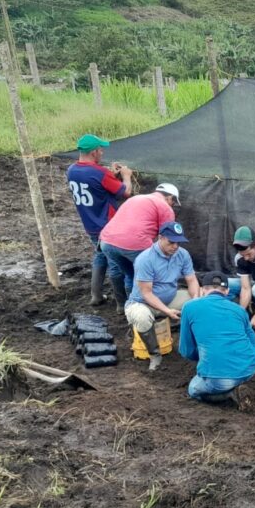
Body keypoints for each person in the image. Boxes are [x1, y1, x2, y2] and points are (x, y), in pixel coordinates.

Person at [66, 134, 133, 306]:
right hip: (108, 225)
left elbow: (96, 184)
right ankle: (121, 303)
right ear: (94, 152)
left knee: (99, 255)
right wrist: (126, 176)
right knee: (116, 263)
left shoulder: (72, 170)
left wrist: (111, 175)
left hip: (90, 224)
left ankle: (96, 295)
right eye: (101, 149)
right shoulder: (100, 173)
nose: (102, 152)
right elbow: (125, 192)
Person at [124, 220, 200, 371]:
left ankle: (199, 346)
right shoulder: (145, 259)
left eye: (178, 242)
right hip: (142, 303)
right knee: (141, 317)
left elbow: (191, 280)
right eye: (171, 242)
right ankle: (155, 354)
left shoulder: (182, 254)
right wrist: (167, 311)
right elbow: (146, 293)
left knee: (200, 301)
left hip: (170, 298)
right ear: (160, 237)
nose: (175, 246)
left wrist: (197, 300)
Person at [178, 271, 255, 408]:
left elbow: (186, 350)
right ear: (227, 291)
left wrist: (202, 357)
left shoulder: (189, 307)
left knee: (193, 390)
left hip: (220, 379)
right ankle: (236, 384)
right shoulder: (239, 310)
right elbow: (253, 341)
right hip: (249, 369)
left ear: (203, 290)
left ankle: (230, 394)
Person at [99, 183, 180, 309]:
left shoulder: (135, 199)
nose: (172, 205)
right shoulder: (164, 207)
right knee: (144, 277)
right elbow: (168, 236)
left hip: (107, 241)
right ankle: (141, 309)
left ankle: (123, 307)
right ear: (170, 197)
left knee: (129, 274)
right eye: (173, 202)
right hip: (134, 244)